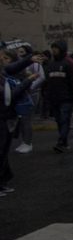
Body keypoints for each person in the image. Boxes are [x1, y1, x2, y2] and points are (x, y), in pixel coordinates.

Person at [0, 48, 39, 195]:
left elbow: (12, 67)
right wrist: (28, 81)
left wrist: (29, 59)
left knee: (4, 150)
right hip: (2, 116)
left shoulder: (3, 72)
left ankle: (3, 181)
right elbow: (10, 96)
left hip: (6, 117)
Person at [43, 39, 73, 153]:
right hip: (54, 98)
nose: (54, 50)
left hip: (67, 98)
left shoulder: (69, 63)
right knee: (59, 120)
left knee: (65, 119)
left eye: (56, 48)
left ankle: (61, 142)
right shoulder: (51, 64)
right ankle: (64, 141)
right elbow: (47, 82)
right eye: (53, 48)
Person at [12, 44, 43, 154]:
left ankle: (28, 143)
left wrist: (30, 86)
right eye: (18, 52)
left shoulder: (34, 63)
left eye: (22, 52)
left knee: (27, 119)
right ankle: (24, 141)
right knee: (22, 119)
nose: (19, 54)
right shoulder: (19, 64)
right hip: (24, 93)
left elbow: (41, 77)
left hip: (32, 93)